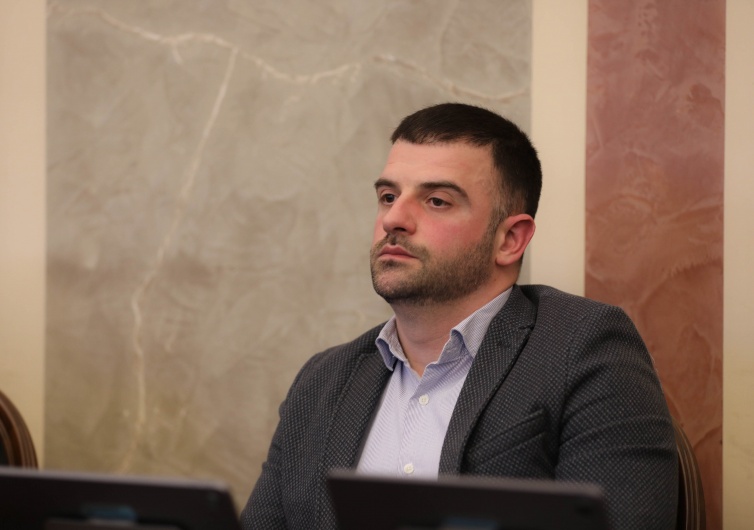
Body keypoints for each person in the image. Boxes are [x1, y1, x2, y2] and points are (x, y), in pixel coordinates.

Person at [240, 103, 677, 530]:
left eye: (436, 201)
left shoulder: (583, 348)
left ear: (510, 239)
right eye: (388, 197)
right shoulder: (322, 381)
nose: (394, 219)